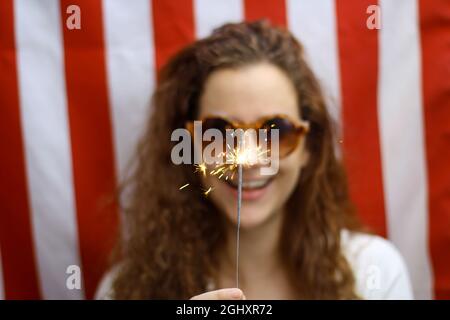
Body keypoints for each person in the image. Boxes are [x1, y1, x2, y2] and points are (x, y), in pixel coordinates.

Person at [96, 20, 412, 300]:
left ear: (309, 148)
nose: (247, 160)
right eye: (218, 131)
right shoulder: (126, 289)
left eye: (276, 130)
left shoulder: (375, 274)